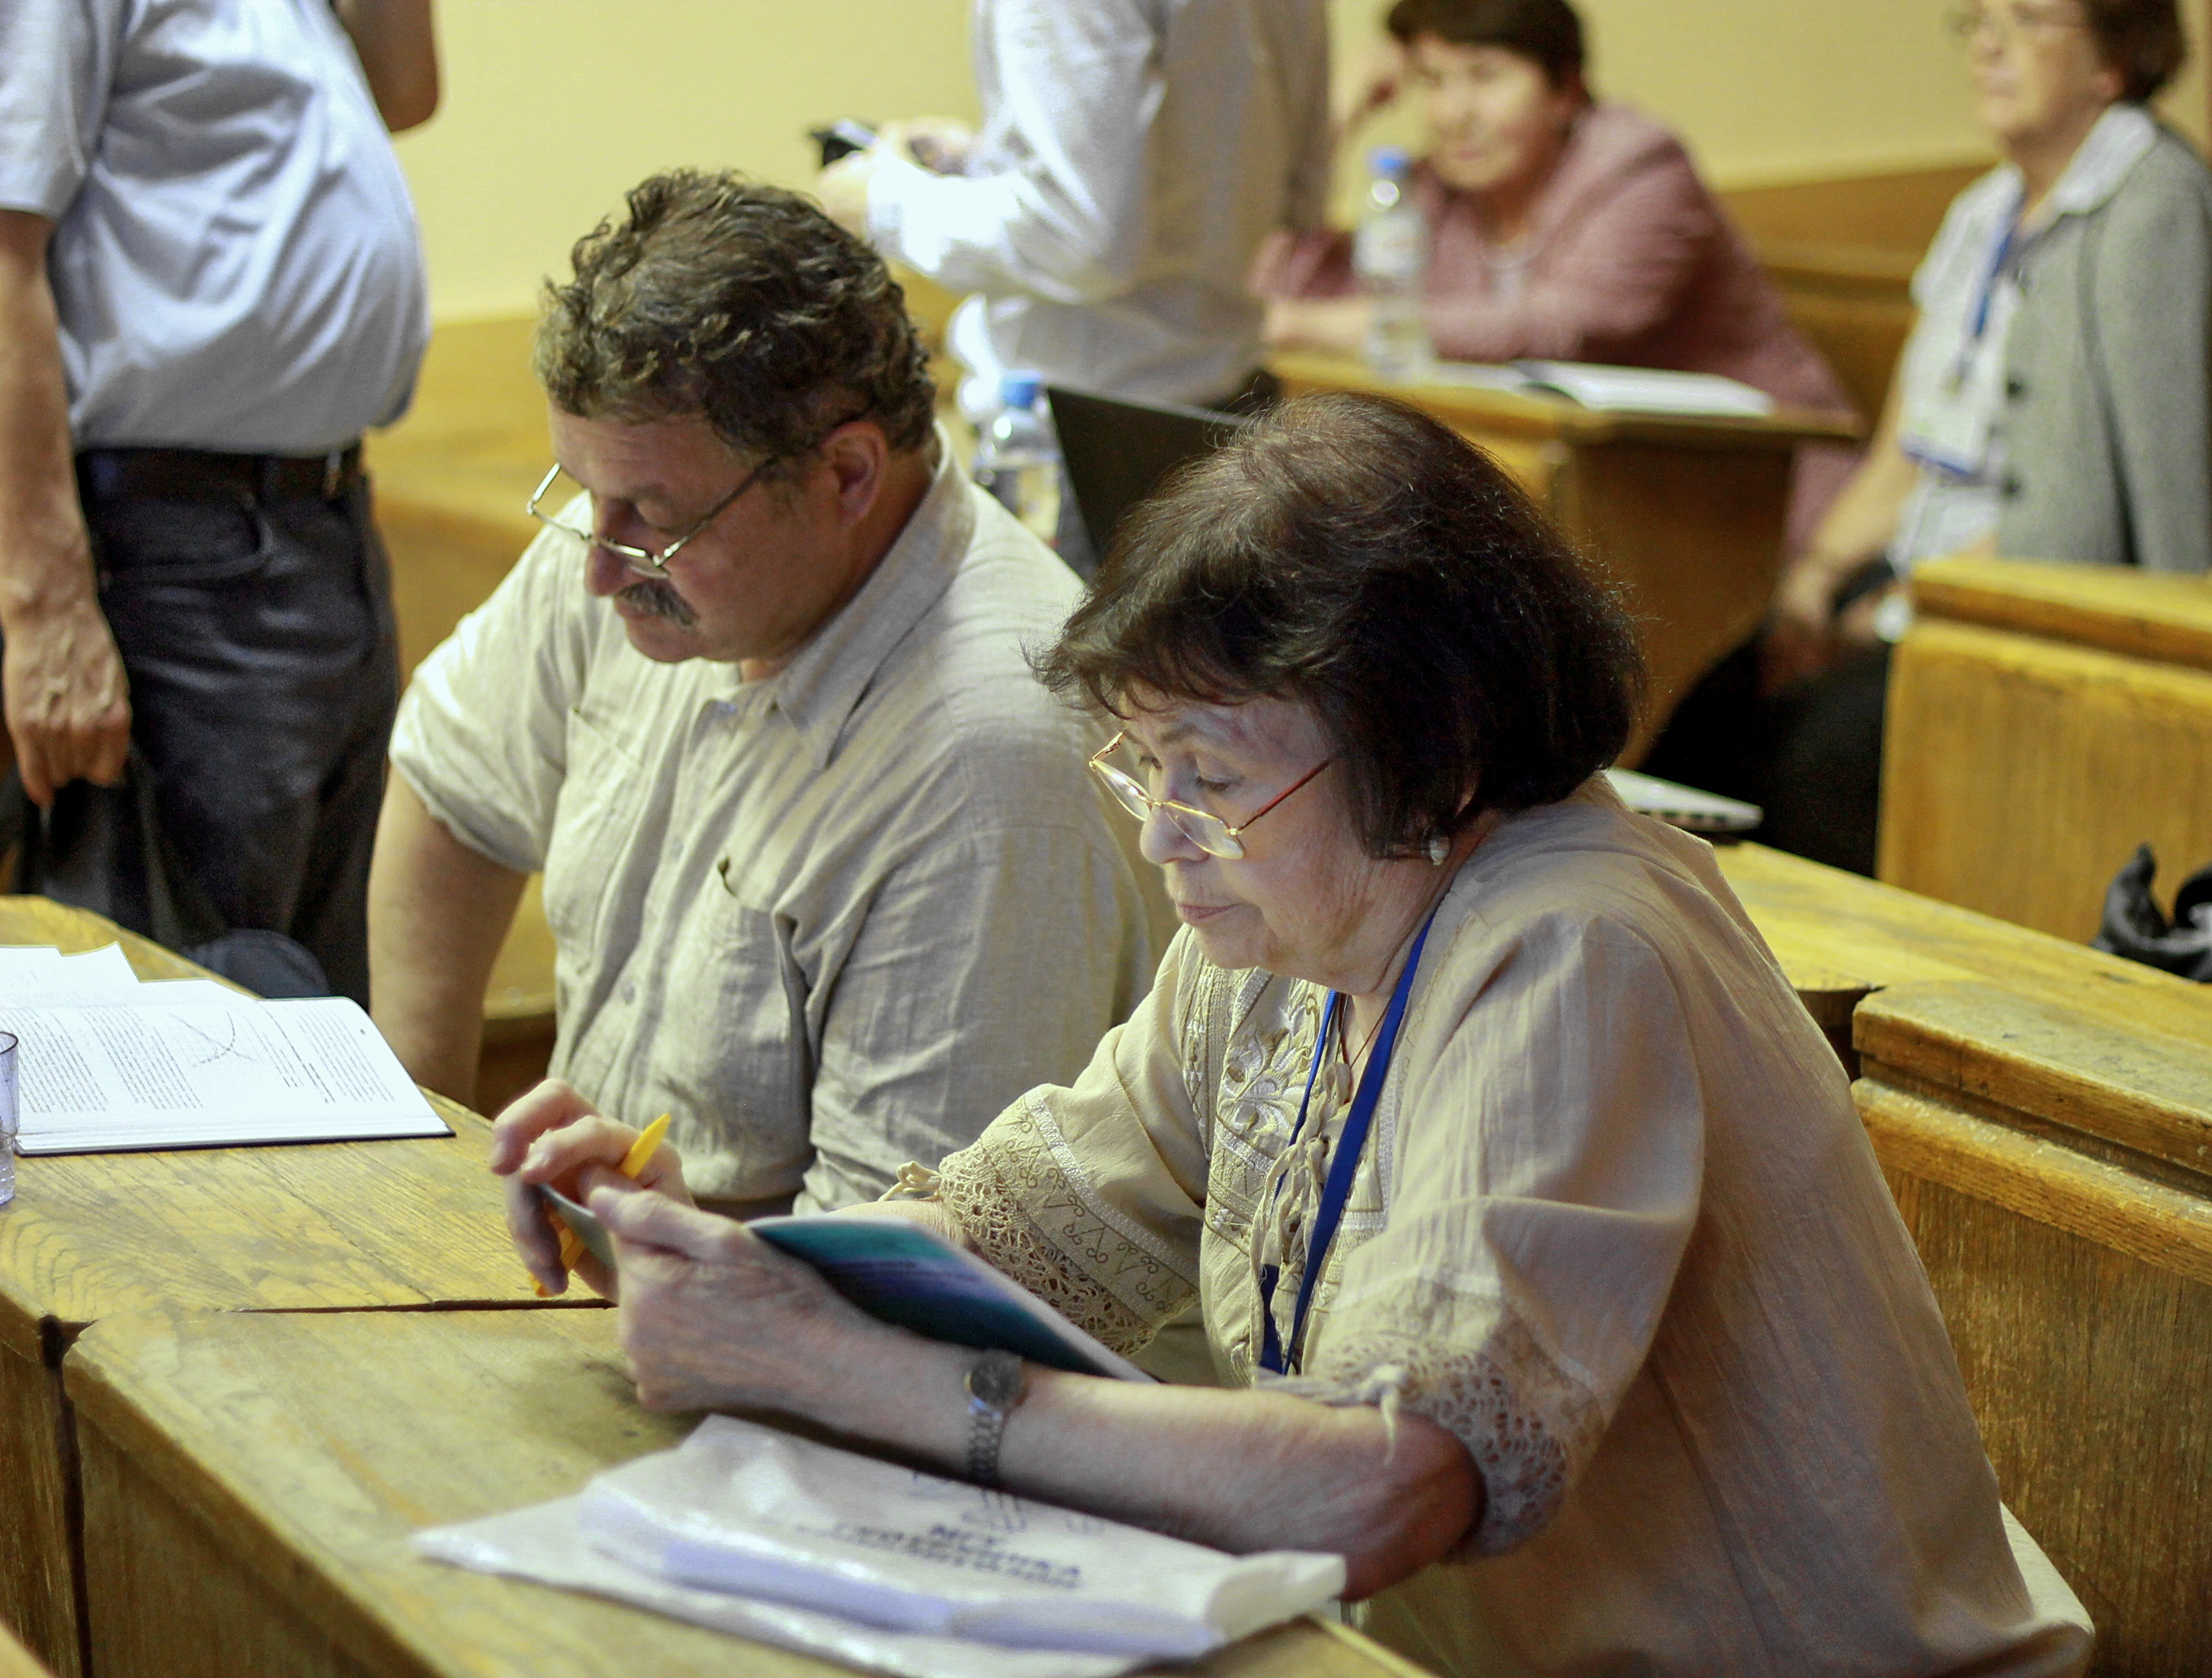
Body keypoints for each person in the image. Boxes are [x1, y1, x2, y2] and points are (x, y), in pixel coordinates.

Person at [495, 393, 2095, 1678]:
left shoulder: (1573, 948)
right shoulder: (1296, 923)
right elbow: (1011, 1234)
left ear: (1433, 748)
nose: (1164, 833)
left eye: (1209, 773)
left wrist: (849, 1371)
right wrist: (729, 1259)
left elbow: (1394, 1480)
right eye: (1144, 768)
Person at [373, 172, 1165, 1218]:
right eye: (584, 492)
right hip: (620, 1257)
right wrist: (418, 1160)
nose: (599, 569)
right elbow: (453, 785)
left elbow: (892, 1270)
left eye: (655, 518)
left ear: (847, 475)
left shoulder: (991, 772)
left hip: (770, 1304)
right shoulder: (635, 524)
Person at [1646, 0, 2212, 875]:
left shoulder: (2152, 209)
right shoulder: (1985, 211)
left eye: (2026, 19)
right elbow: (1903, 454)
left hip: (2039, 613)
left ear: (2116, 57)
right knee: (1694, 735)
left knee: (1802, 768)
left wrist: (1896, 609)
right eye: (1978, 20)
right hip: (1920, 586)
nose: (1989, 45)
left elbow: (2093, 528)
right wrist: (1814, 583)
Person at [0, 0, 440, 1000]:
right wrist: (46, 607)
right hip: (173, 544)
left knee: (317, 1012)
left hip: (326, 520)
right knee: (186, 1012)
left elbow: (406, 90)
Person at [1255, 0, 1856, 548]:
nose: (1454, 114)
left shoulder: (1641, 166)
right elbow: (1277, 292)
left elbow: (1570, 323)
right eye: (1433, 81)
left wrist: (1328, 324)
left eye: (1486, 77)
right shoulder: (1438, 189)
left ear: (1565, 90)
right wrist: (1339, 109)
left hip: (1769, 505)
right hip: (1592, 506)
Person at [816, 0, 1331, 420]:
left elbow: (1081, 241)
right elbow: (1300, 190)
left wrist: (882, 203)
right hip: (1236, 408)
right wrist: (991, 160)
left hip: (1090, 426)